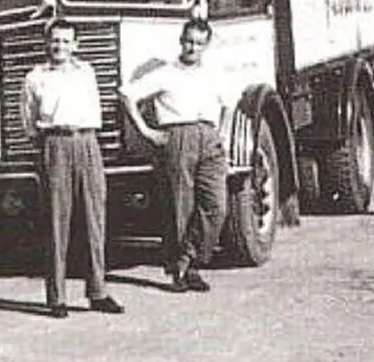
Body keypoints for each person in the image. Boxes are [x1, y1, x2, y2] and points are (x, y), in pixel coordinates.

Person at [20, 18, 123, 318]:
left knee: (94, 218)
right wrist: (48, 145)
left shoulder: (86, 72)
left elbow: (95, 107)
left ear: (75, 45)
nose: (60, 46)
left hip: (87, 141)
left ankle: (98, 291)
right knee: (56, 220)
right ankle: (57, 297)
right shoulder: (34, 77)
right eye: (55, 40)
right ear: (46, 44)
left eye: (66, 41)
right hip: (55, 143)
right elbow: (28, 121)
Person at [119, 18, 228, 293]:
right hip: (178, 138)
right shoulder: (164, 73)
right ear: (181, 41)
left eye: (199, 43)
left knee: (216, 206)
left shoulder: (213, 72)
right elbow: (126, 95)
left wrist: (221, 134)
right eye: (189, 41)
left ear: (206, 46)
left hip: (210, 139)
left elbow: (228, 103)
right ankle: (182, 270)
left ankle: (191, 257)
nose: (193, 47)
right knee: (181, 207)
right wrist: (147, 132)